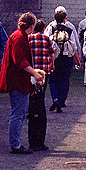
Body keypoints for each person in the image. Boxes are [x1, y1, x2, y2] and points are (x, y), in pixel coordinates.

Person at [0, 12, 46, 154]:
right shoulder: (19, 38)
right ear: (31, 26)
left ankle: (16, 143)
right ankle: (15, 144)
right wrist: (35, 73)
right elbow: (20, 61)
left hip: (18, 79)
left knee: (20, 112)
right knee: (18, 113)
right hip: (17, 80)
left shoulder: (18, 36)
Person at [45, 6, 80, 113]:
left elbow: (46, 42)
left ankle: (55, 98)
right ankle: (61, 101)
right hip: (66, 58)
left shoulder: (50, 27)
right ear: (65, 18)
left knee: (53, 79)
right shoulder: (69, 28)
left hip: (54, 57)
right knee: (64, 80)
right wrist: (77, 59)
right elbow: (74, 45)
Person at [26, 20, 54, 152]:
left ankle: (33, 141)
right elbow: (51, 54)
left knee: (33, 105)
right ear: (43, 29)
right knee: (41, 105)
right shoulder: (46, 39)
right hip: (43, 73)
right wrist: (51, 65)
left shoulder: (29, 38)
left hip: (32, 74)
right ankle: (40, 141)